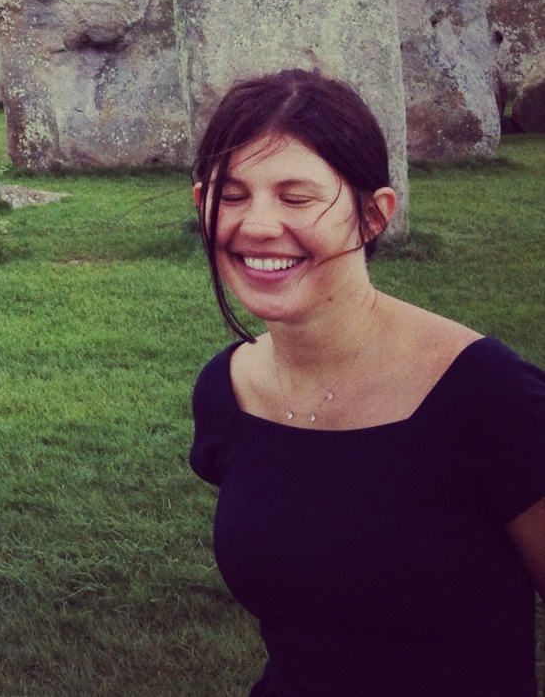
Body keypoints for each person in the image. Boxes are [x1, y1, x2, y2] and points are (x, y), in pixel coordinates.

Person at [188, 69, 545, 697]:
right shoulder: (228, 390)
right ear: (202, 204)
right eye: (234, 194)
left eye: (296, 198)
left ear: (374, 215)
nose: (258, 225)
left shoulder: (489, 396)